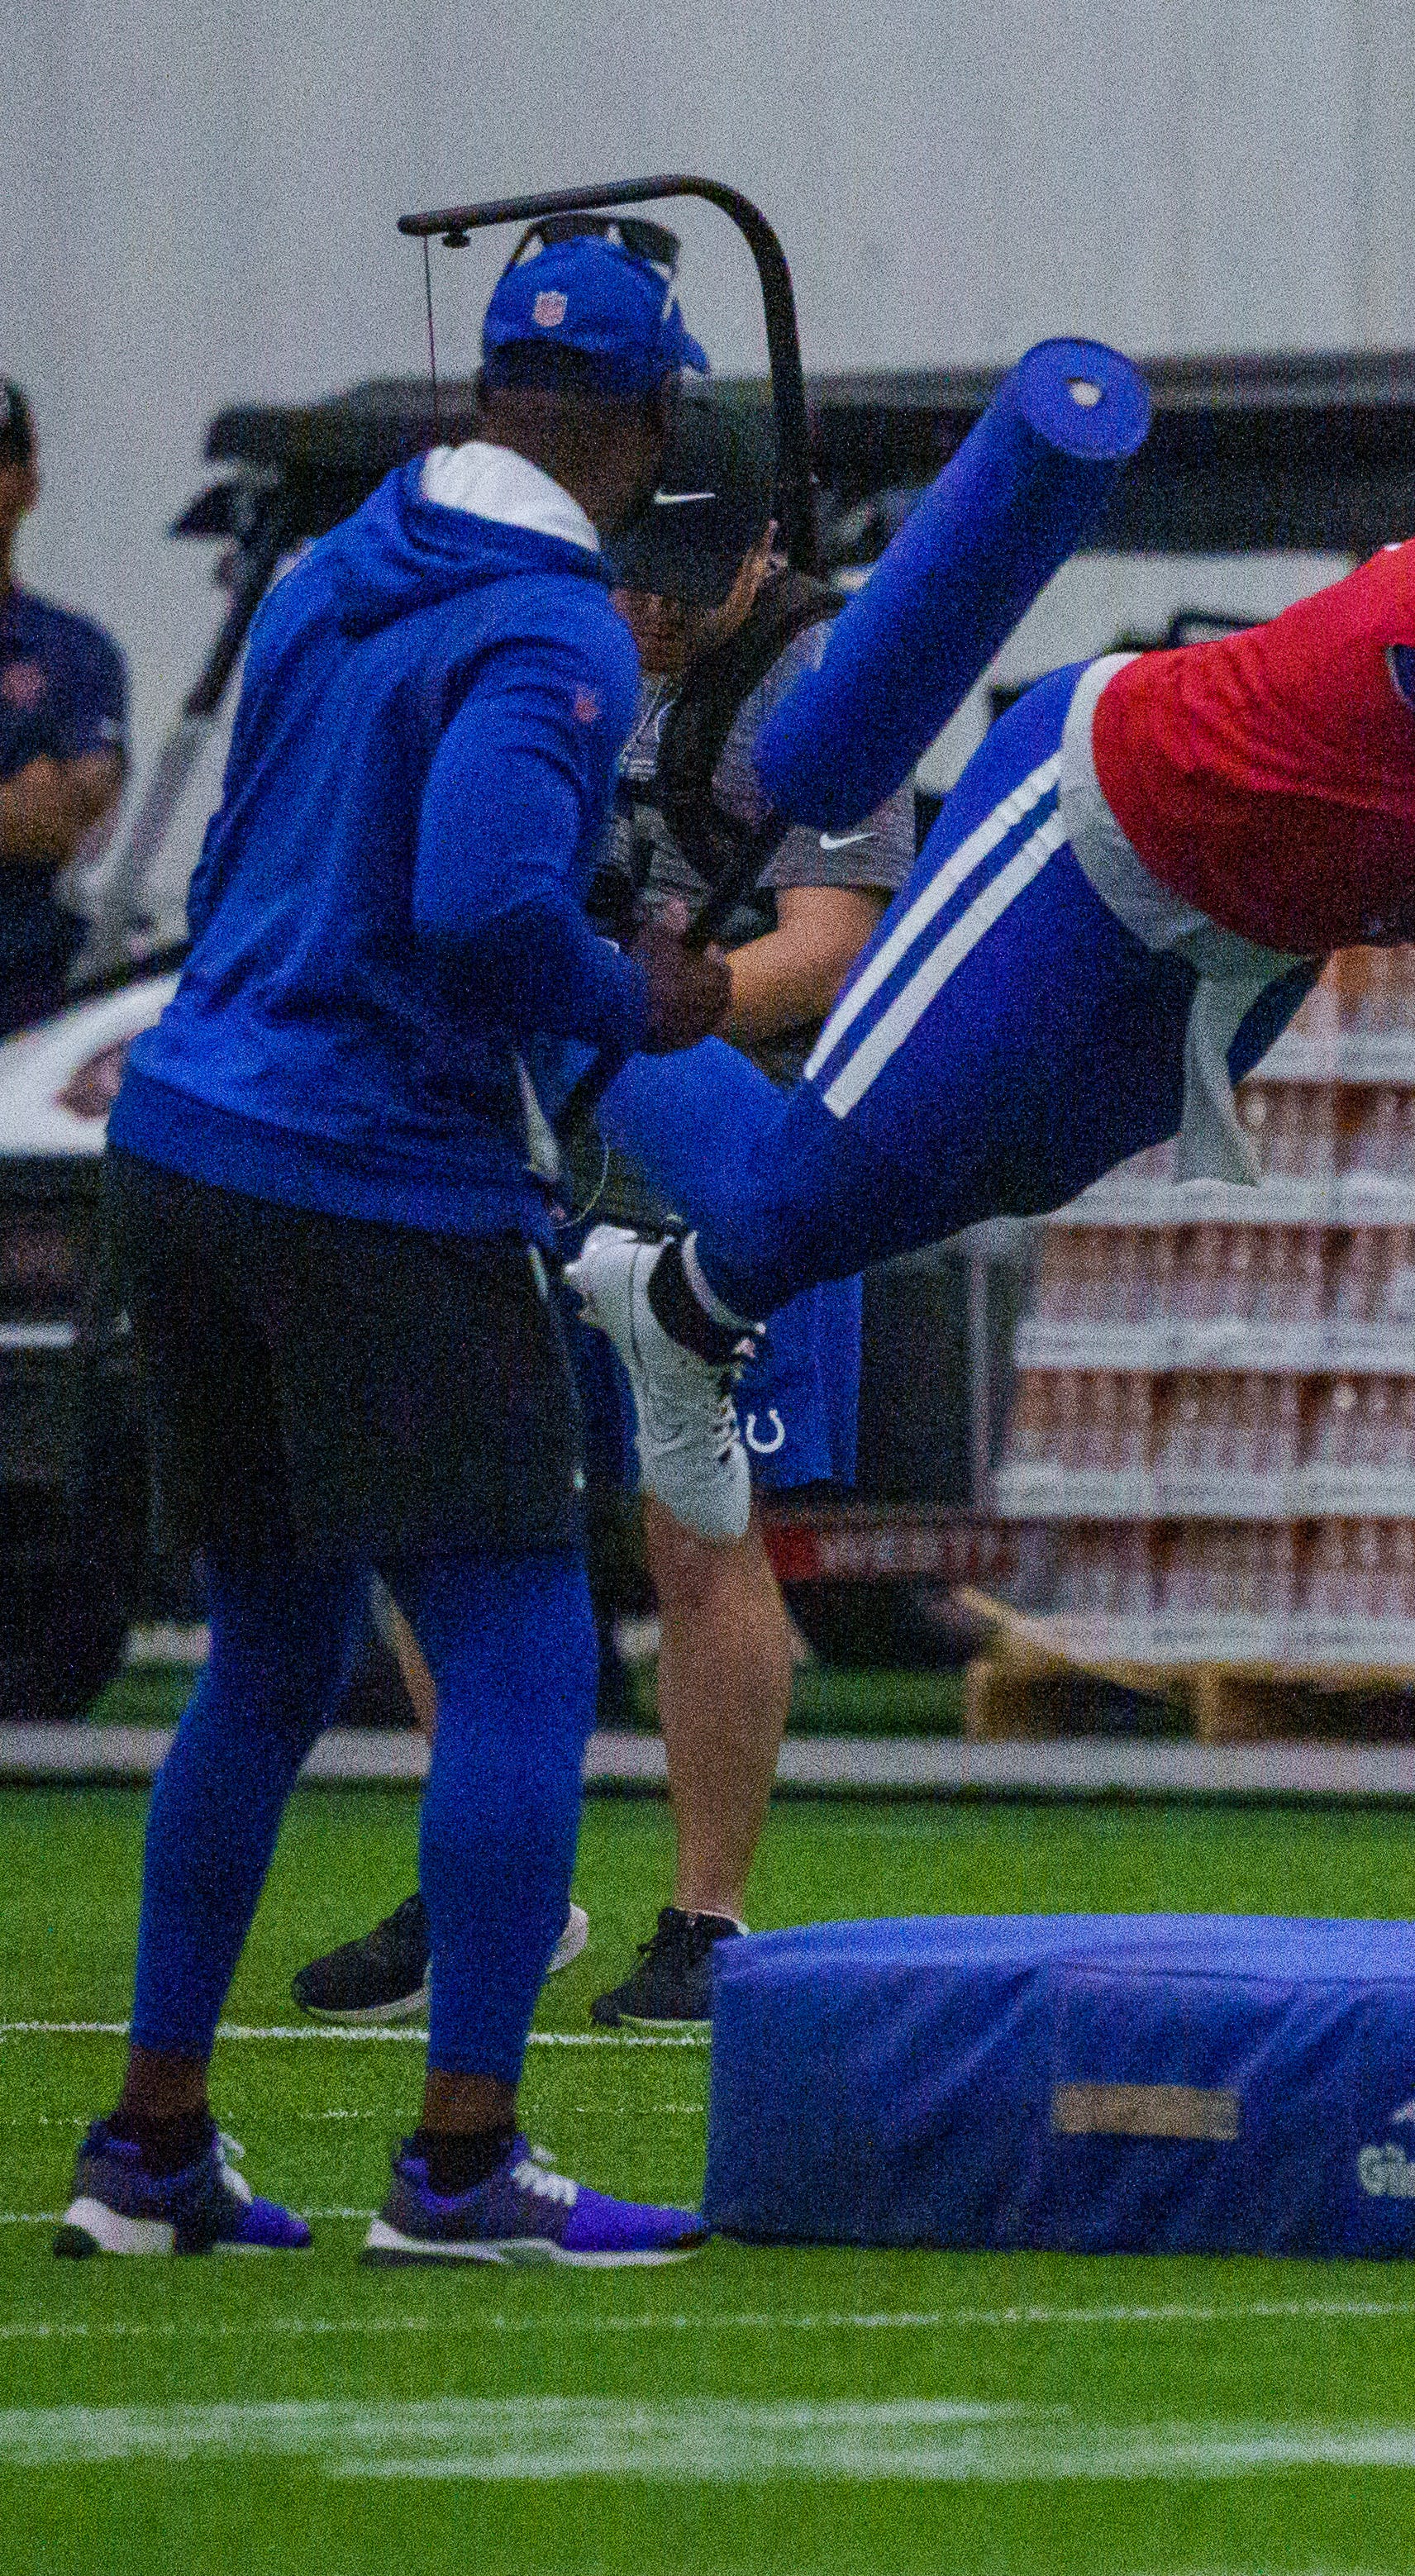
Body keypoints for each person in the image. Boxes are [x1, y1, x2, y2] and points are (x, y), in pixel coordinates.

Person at [573, 243, 1415, 1545]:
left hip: (1259, 936)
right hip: (1095, 818)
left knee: (992, 1179)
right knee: (831, 1173)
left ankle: (678, 1303)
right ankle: (650, 1228)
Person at [54, 236, 728, 2265]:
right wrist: (645, 990)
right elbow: (479, 904)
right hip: (378, 1180)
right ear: (646, 424)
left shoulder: (338, 560)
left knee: (264, 1649)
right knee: (522, 1644)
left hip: (183, 1148)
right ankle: (458, 2163)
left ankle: (151, 2147)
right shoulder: (556, 632)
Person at [290, 399, 918, 2032]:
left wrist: (674, 1000)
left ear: (759, 552)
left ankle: (706, 1915)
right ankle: (489, 1870)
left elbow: (834, 945)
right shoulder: (551, 617)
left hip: (734, 1130)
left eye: (680, 582)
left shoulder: (822, 681)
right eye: (633, 568)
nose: (645, 609)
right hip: (539, 1105)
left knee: (696, 1532)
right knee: (449, 1504)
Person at [0, 376, 127, 1031]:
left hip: (30, 992)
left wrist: (47, 809)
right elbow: (35, 813)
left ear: (27, 483)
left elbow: (68, 822)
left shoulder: (77, 652)